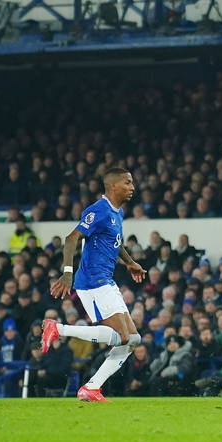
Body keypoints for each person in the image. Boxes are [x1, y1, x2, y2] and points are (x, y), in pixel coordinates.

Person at [45, 167, 147, 402]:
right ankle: (58, 329)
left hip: (106, 280)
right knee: (122, 336)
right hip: (92, 281)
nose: (132, 187)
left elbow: (114, 241)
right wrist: (67, 272)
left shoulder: (117, 212)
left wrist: (129, 263)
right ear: (113, 186)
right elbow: (71, 239)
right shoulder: (98, 211)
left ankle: (91, 388)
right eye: (128, 183)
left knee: (133, 339)